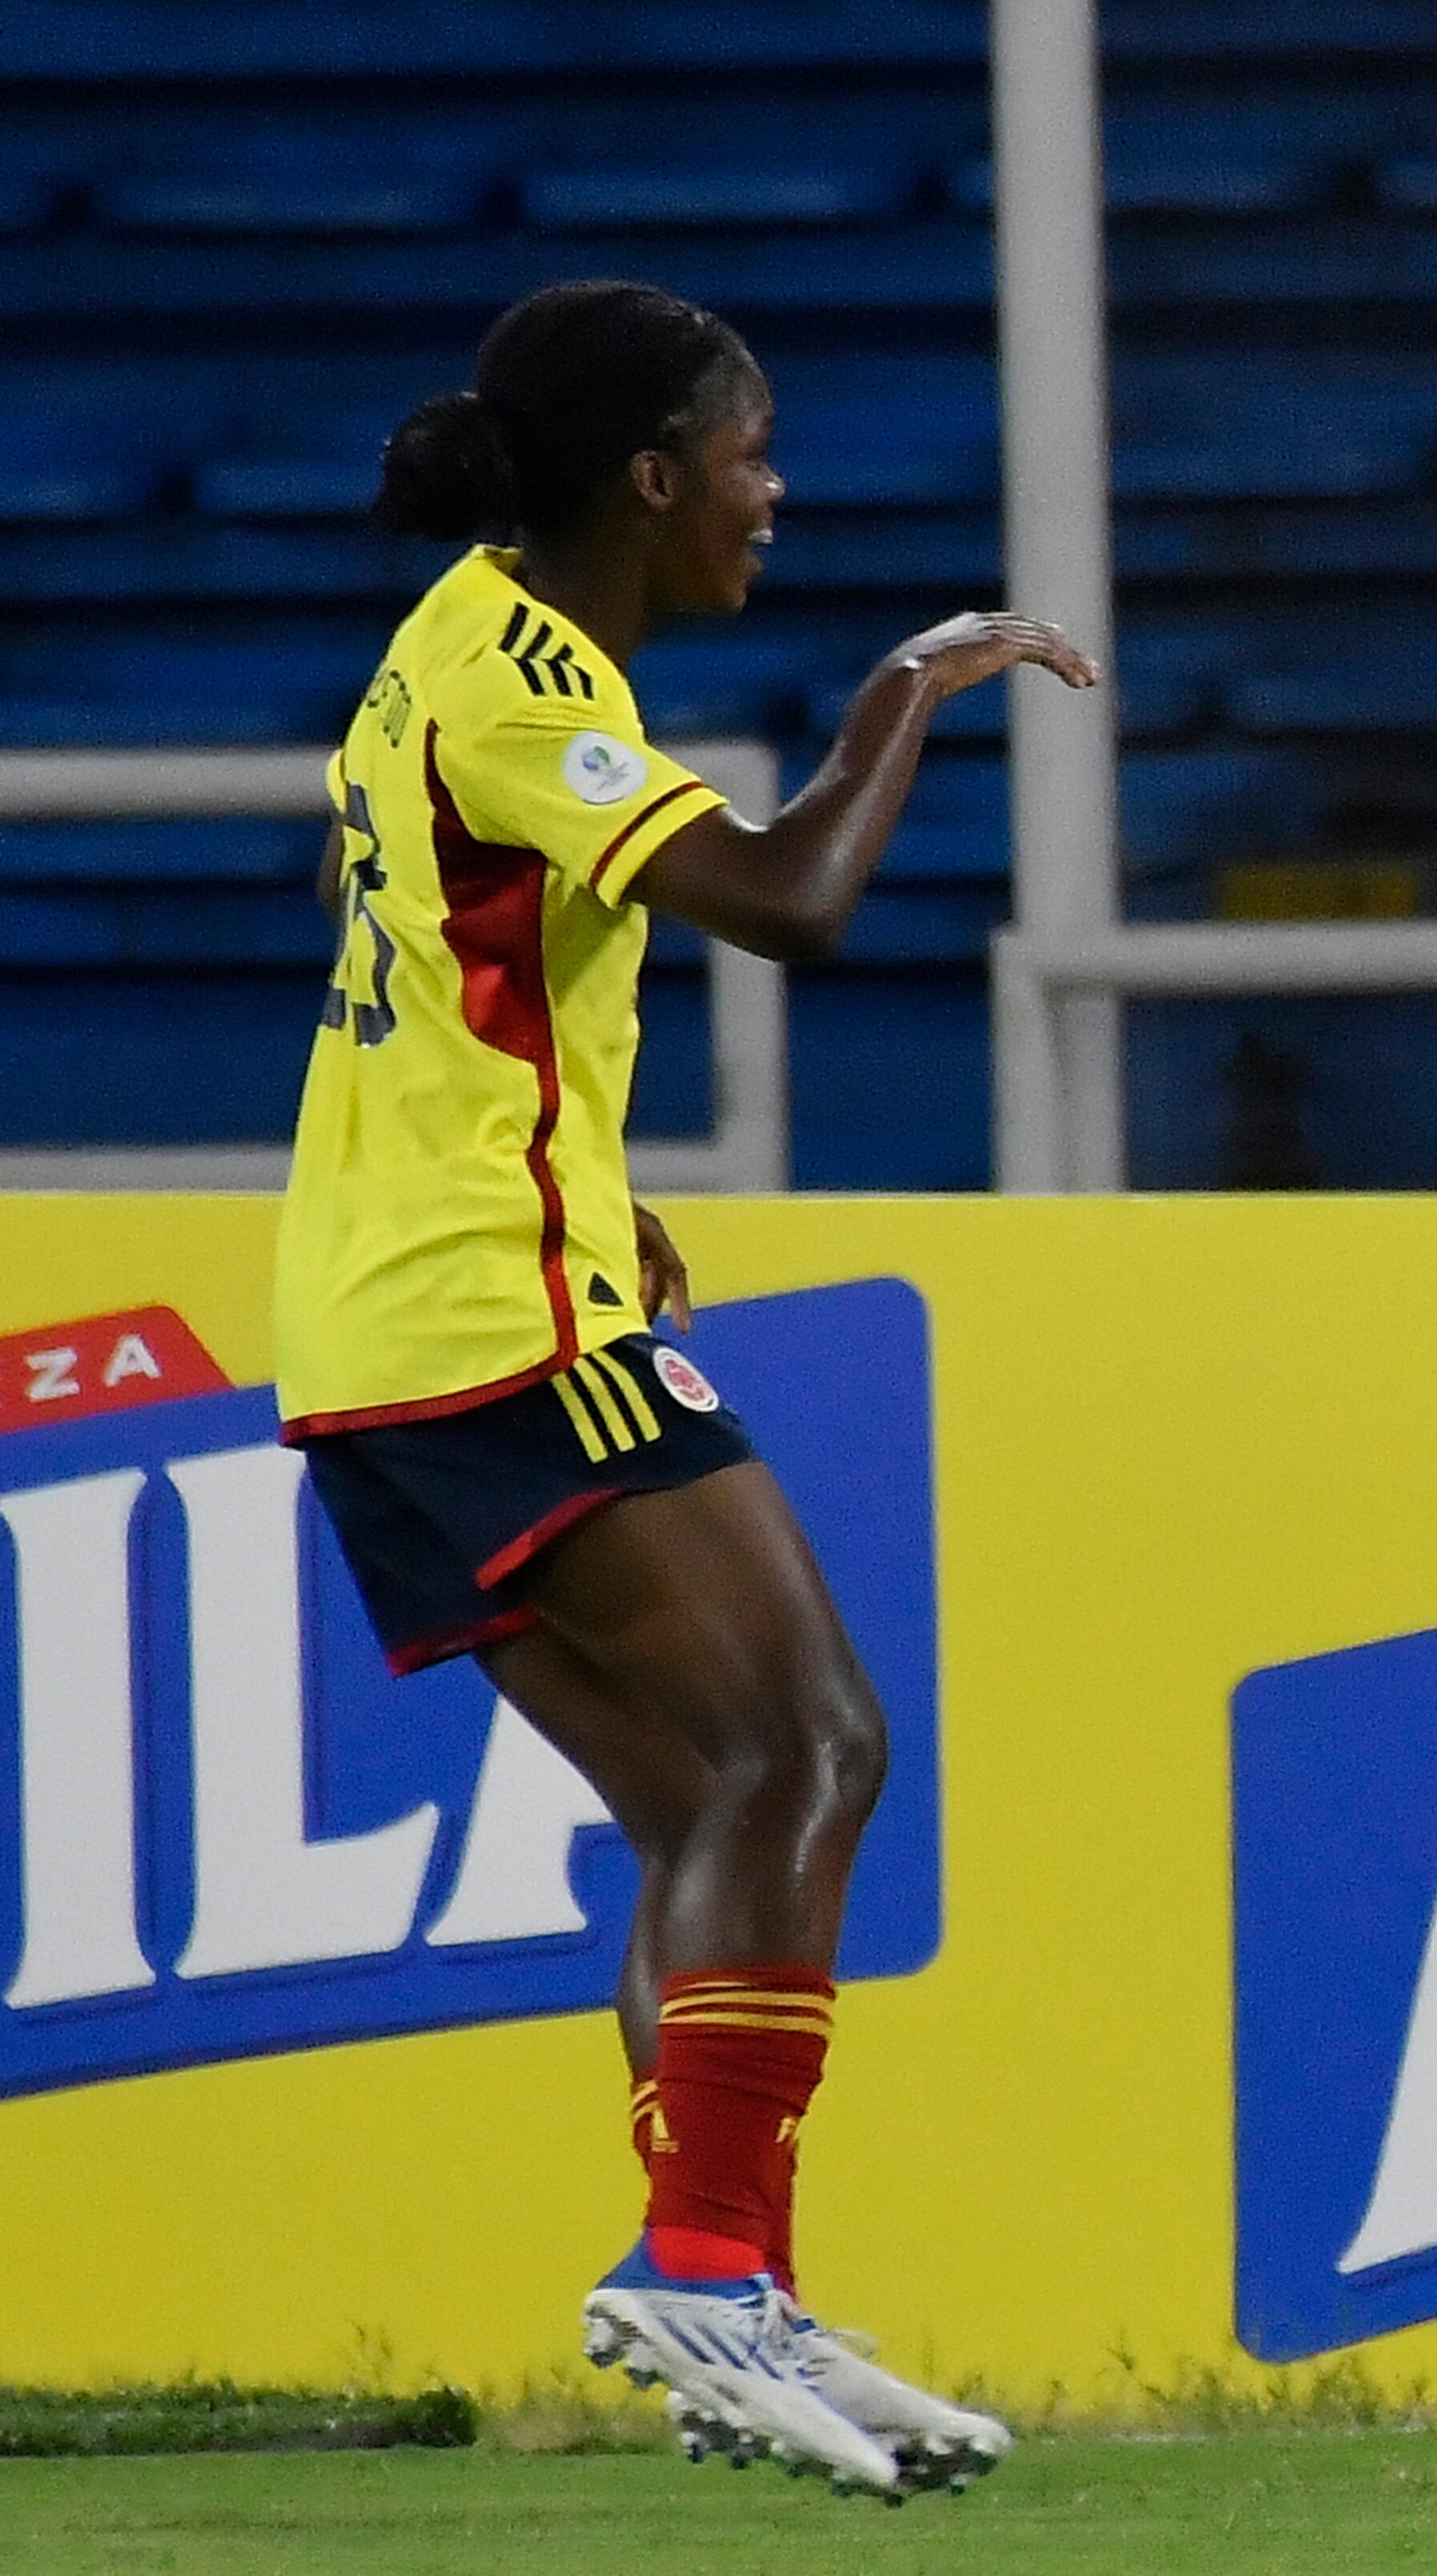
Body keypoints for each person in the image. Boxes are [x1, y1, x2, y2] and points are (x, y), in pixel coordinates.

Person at [279, 279, 1097, 2498]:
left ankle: (736, 2288)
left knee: (710, 1804)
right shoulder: (528, 675)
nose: (775, 488)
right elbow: (794, 897)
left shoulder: (467, 629)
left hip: (412, 1317)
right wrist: (905, 699)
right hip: (491, 1327)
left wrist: (590, 1177)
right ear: (649, 474)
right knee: (812, 1741)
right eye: (750, 451)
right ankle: (709, 2262)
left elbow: (459, 984)